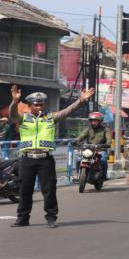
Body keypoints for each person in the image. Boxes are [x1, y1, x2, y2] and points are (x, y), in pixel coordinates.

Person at [9, 85, 95, 228]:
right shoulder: (23, 118)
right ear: (30, 106)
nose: (40, 107)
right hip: (27, 159)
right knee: (25, 190)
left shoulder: (50, 118)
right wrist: (15, 101)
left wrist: (80, 100)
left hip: (45, 159)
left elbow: (67, 111)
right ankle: (22, 218)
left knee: (49, 190)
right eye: (36, 104)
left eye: (41, 104)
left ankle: (51, 217)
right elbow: (12, 115)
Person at [75, 112, 112, 180]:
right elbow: (81, 136)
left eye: (95, 121)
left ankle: (104, 175)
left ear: (100, 121)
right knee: (78, 158)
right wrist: (76, 141)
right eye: (92, 120)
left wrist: (107, 144)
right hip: (89, 149)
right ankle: (78, 174)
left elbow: (109, 140)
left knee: (103, 160)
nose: (93, 122)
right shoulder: (88, 129)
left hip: (101, 149)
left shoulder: (105, 129)